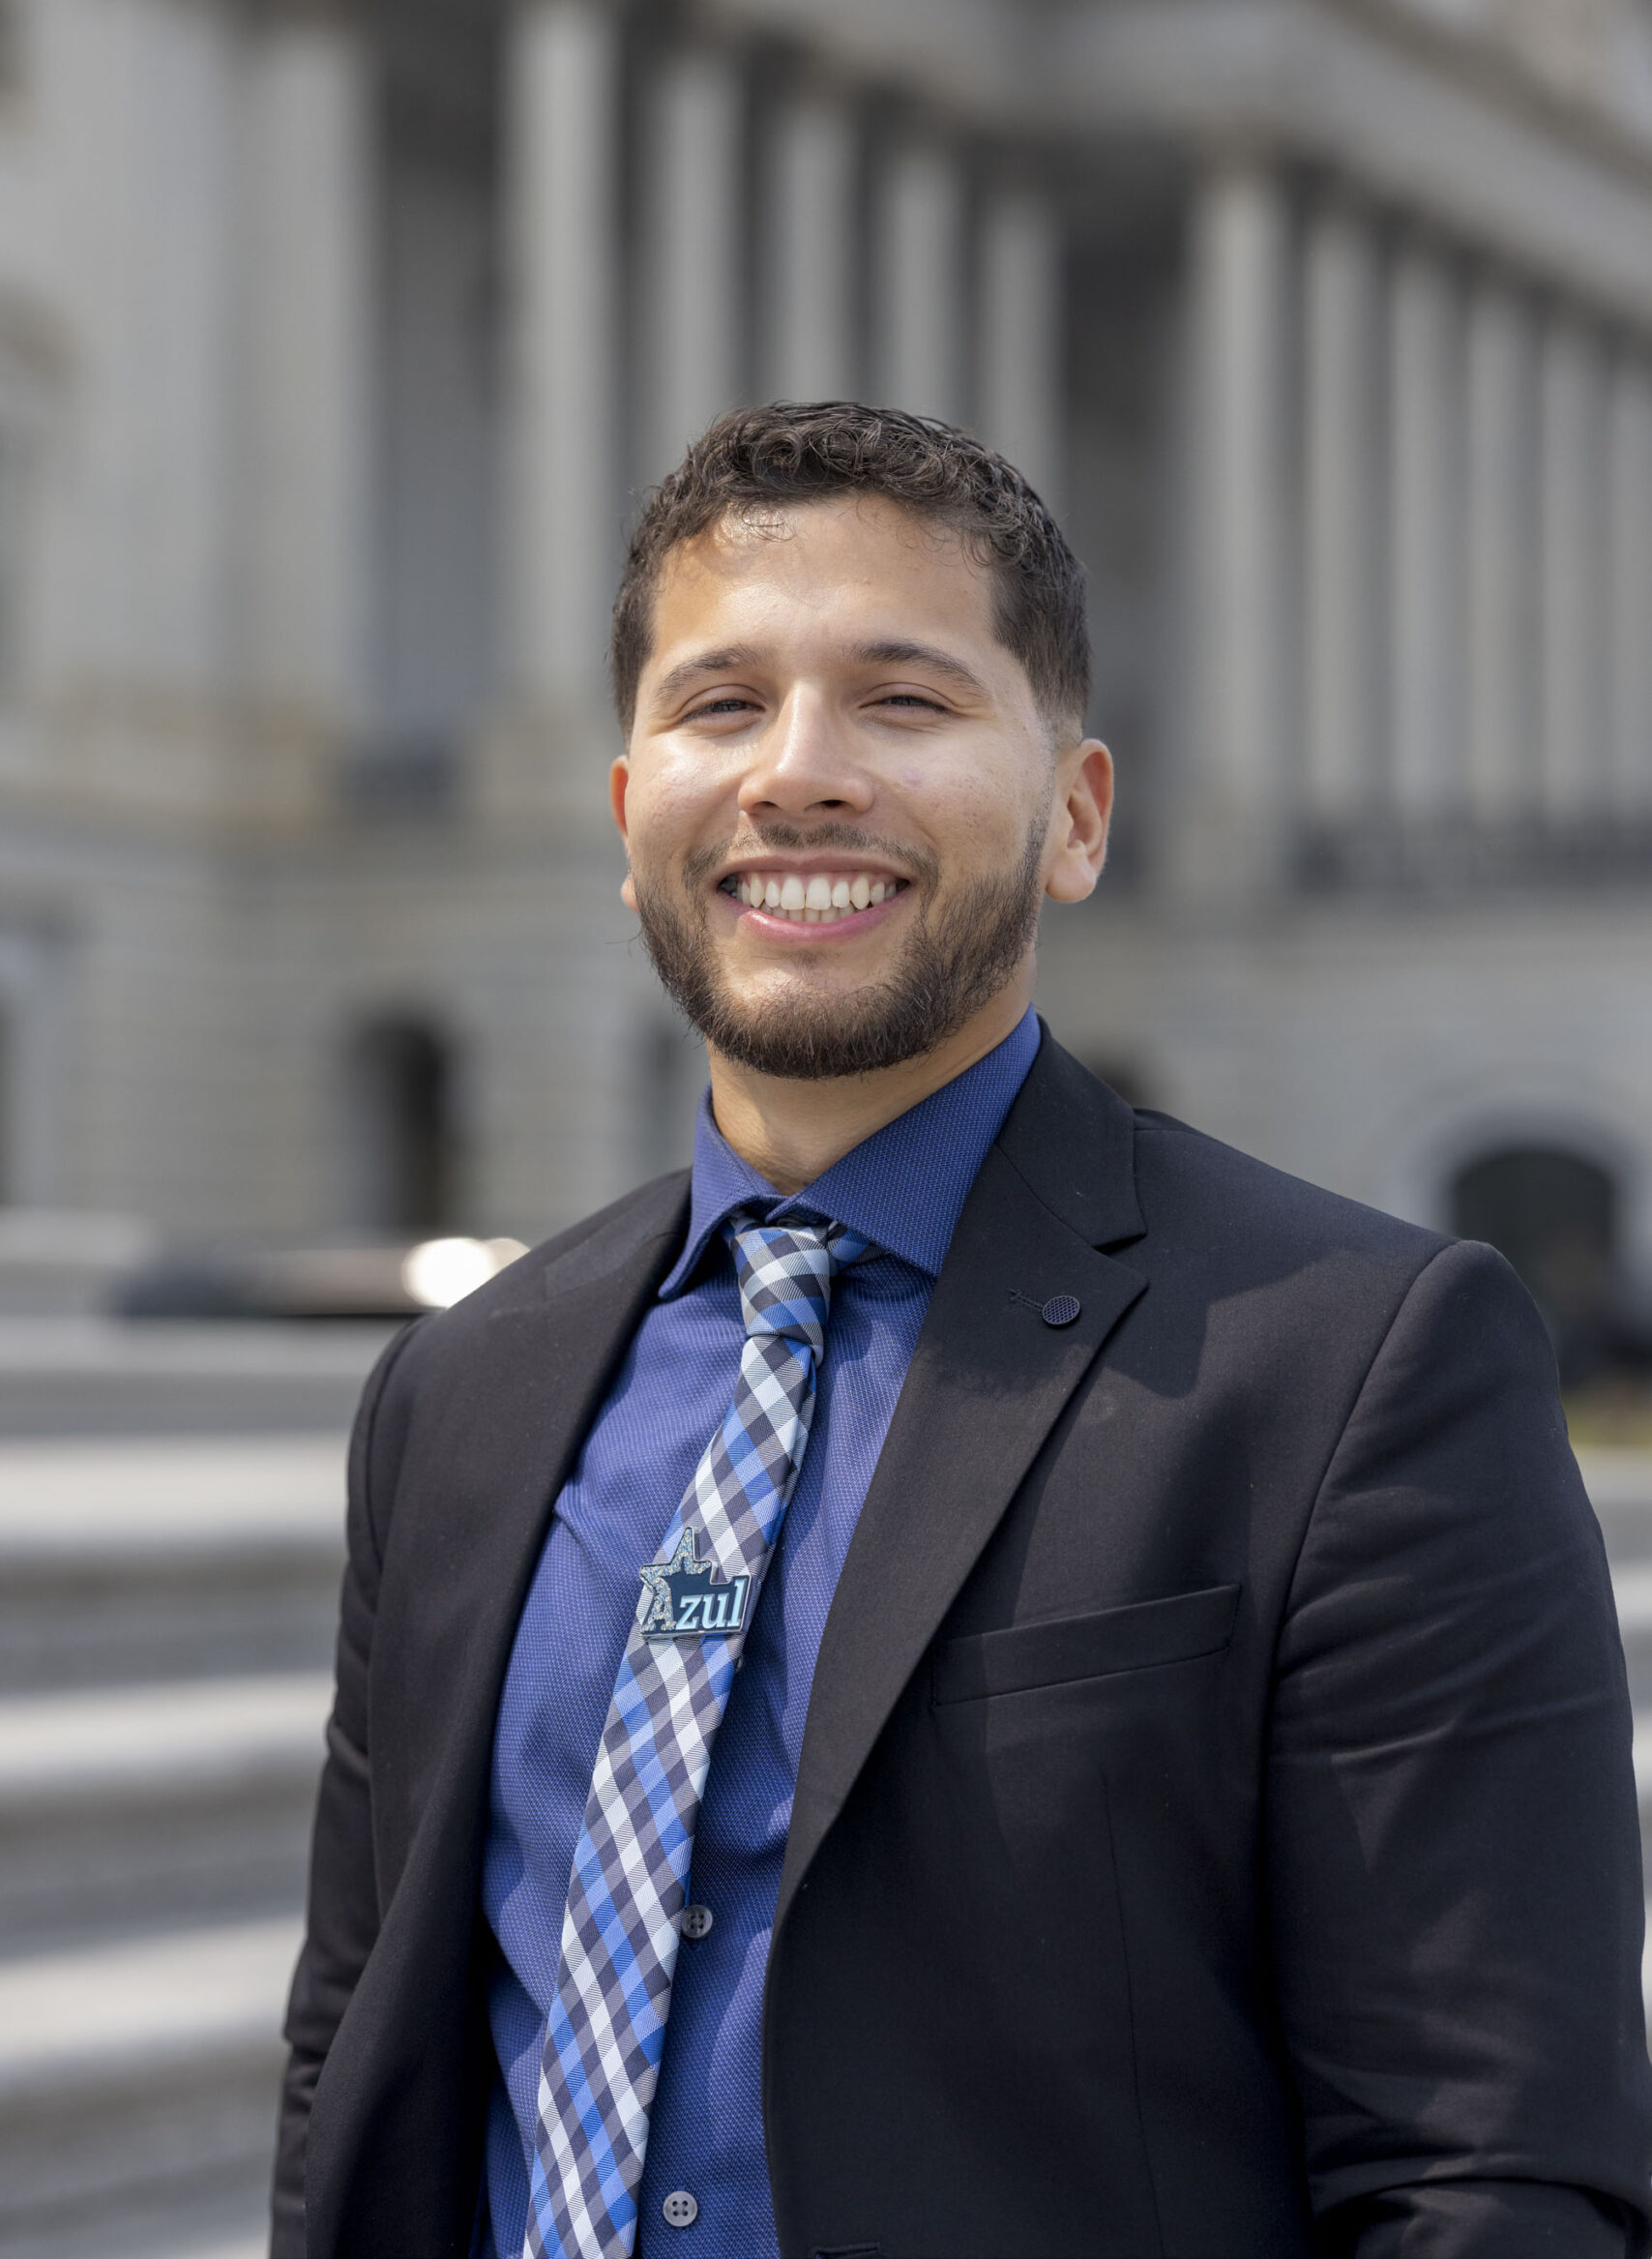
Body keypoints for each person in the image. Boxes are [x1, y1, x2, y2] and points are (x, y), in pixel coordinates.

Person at [275, 402, 1652, 2259]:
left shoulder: (1352, 1366)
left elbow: (1491, 2175)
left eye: (904, 703)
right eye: (718, 705)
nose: (798, 775)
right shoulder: (460, 1391)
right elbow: (355, 2069)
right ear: (629, 820)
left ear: (1076, 816)